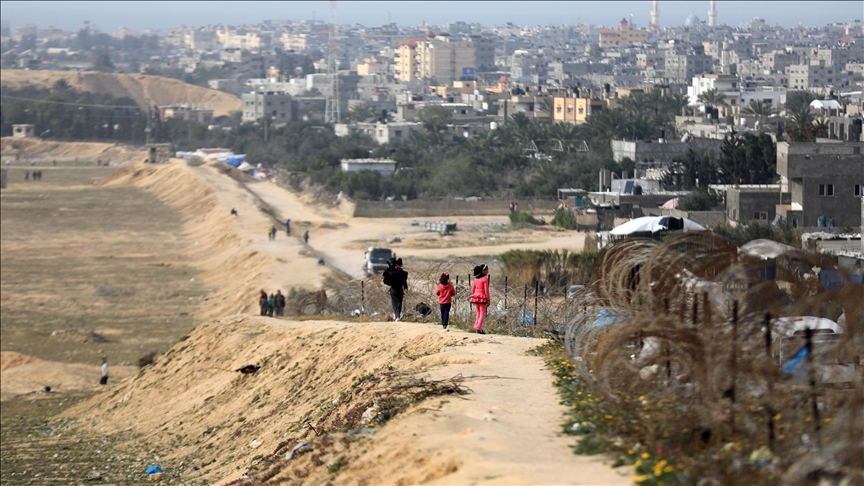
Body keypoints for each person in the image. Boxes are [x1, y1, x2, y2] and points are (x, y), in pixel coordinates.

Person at [470, 264, 490, 334]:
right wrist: (488, 299)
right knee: (482, 313)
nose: (487, 271)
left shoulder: (476, 279)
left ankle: (476, 326)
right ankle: (479, 328)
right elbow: (486, 290)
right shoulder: (485, 279)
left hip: (476, 297)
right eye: (487, 270)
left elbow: (473, 289)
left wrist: (473, 295)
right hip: (482, 298)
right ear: (483, 271)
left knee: (478, 312)